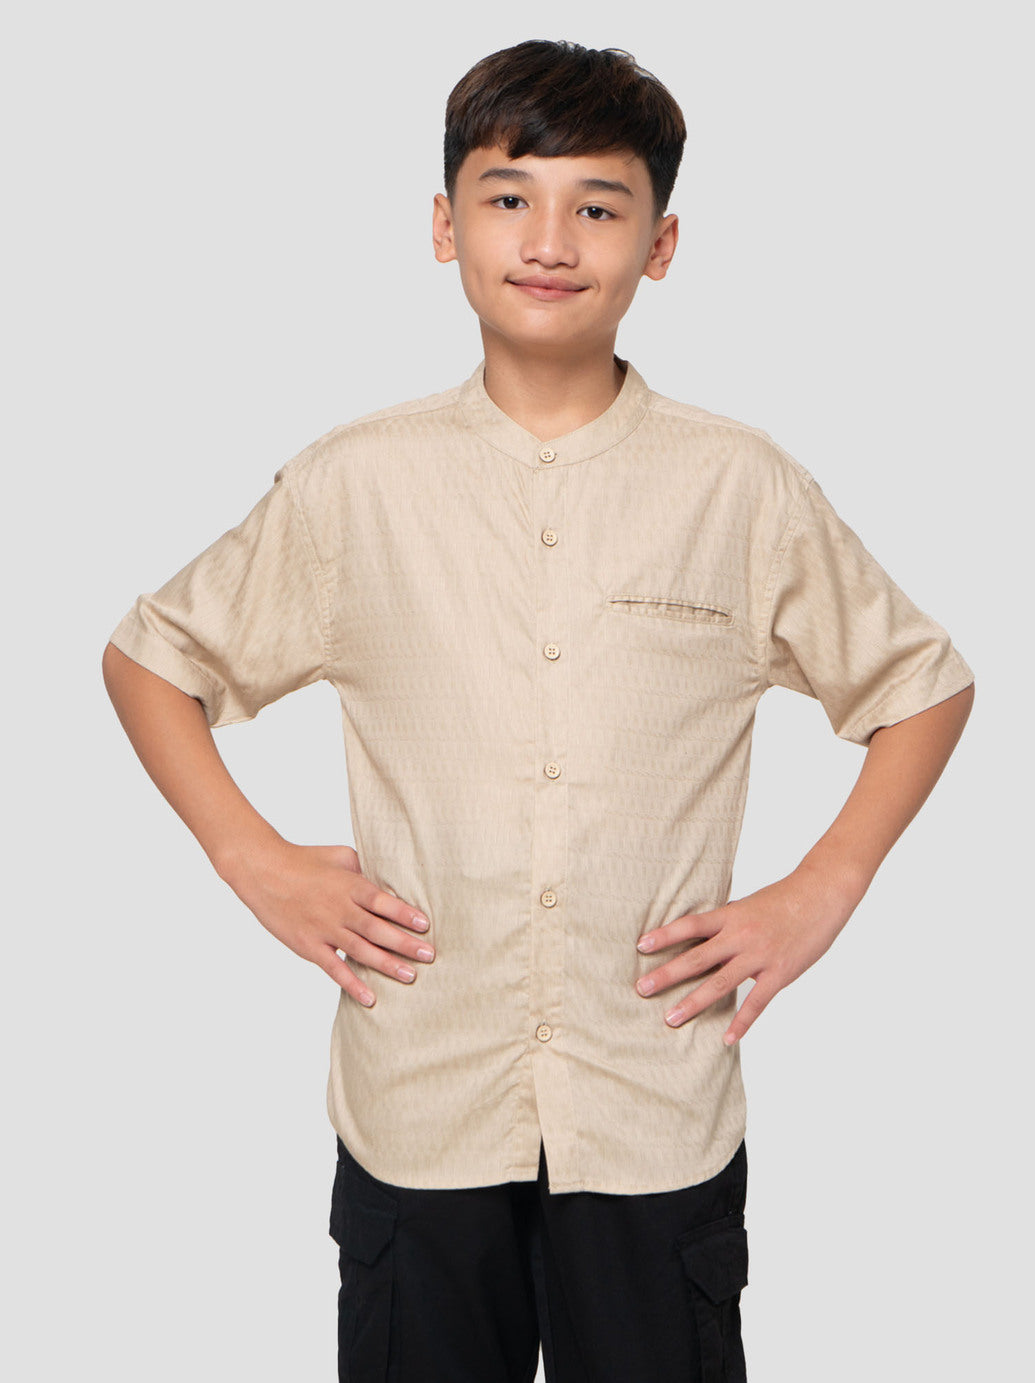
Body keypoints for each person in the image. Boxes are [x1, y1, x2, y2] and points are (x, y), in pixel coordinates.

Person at [102, 37, 975, 1383]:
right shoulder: (357, 485)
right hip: (421, 1096)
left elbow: (920, 683)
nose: (551, 240)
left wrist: (827, 885)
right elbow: (155, 656)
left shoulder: (740, 489)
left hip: (653, 1109)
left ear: (661, 244)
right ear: (444, 225)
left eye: (599, 206)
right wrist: (249, 856)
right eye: (508, 197)